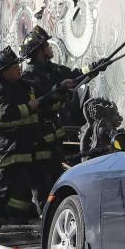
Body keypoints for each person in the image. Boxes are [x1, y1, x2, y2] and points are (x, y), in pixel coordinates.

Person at [19, 26, 84, 208]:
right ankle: (43, 214)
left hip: (54, 134)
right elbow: (38, 103)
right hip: (38, 136)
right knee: (42, 179)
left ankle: (54, 211)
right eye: (46, 45)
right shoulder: (29, 76)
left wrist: (94, 68)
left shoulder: (53, 69)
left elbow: (75, 76)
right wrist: (58, 90)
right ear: (40, 51)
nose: (50, 48)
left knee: (56, 175)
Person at [0, 46, 41, 234]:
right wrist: (29, 107)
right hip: (5, 148)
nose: (19, 69)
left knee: (24, 184)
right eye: (15, 66)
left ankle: (18, 217)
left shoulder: (21, 85)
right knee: (2, 185)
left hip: (22, 145)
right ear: (5, 71)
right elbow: (5, 114)